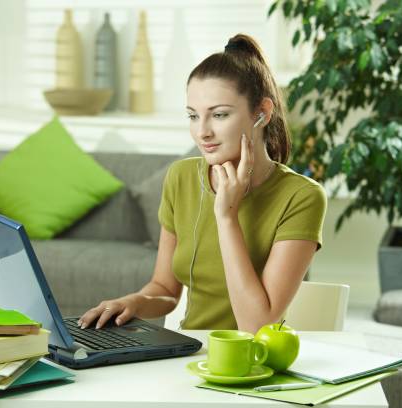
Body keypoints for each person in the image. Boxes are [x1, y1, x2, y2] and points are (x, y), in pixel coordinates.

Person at [79, 34, 327, 333]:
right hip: (188, 357)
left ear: (262, 112)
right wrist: (134, 302)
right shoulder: (181, 178)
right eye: (193, 116)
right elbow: (165, 288)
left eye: (219, 115)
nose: (202, 132)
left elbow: (257, 324)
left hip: (256, 365)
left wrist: (227, 216)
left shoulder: (302, 197)